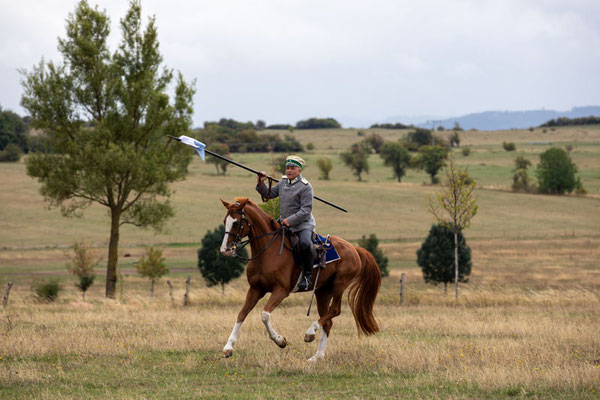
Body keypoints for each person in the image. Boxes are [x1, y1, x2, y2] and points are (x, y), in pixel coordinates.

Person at [256, 155, 316, 291]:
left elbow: (306, 210)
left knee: (305, 244)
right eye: (287, 168)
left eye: (292, 168)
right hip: (283, 223)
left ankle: (307, 277)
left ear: (299, 170)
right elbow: (268, 195)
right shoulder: (283, 183)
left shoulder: (306, 187)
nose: (289, 171)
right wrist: (261, 182)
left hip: (303, 225)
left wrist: (290, 220)